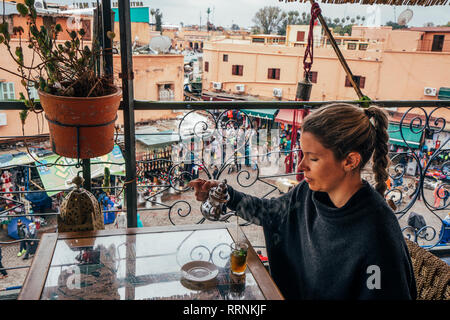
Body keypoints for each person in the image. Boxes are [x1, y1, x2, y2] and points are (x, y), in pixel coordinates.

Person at [189, 103, 417, 300]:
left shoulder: (376, 235)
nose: (301, 166)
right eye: (303, 155)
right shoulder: (308, 194)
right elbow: (270, 212)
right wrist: (224, 194)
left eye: (314, 158)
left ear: (350, 161)